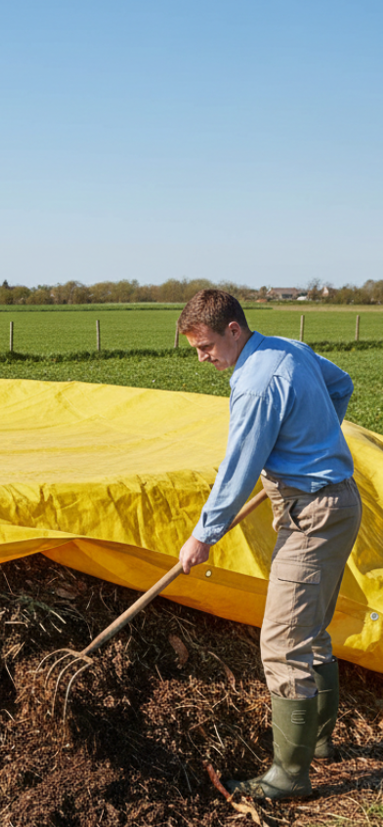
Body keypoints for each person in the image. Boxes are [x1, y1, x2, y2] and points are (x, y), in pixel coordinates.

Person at [176, 289, 362, 800]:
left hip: (313, 516)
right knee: (311, 631)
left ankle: (288, 775)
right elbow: (341, 386)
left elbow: (238, 469)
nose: (203, 358)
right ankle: (318, 744)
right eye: (195, 349)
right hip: (338, 504)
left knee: (283, 643)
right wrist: (312, 441)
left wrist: (203, 536)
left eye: (207, 346)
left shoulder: (256, 384)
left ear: (234, 330)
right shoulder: (288, 349)